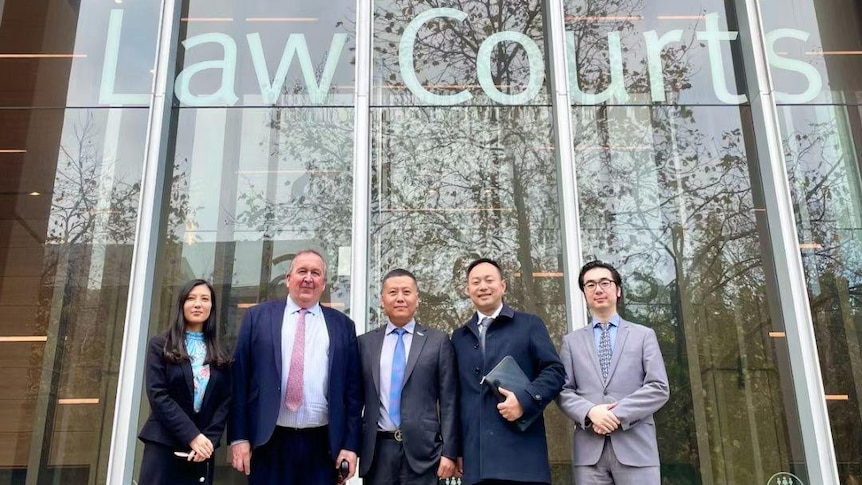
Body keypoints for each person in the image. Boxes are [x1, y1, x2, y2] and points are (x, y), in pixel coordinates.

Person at [228, 249, 362, 484]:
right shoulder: (257, 318)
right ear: (288, 279)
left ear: (323, 283)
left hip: (322, 445)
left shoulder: (343, 326)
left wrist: (350, 446)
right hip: (268, 441)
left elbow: (353, 392)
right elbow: (239, 381)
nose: (308, 278)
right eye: (302, 271)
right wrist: (238, 437)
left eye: (316, 273)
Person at [451, 257, 565, 485]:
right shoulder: (459, 337)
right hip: (476, 462)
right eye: (475, 282)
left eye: (489, 280)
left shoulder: (529, 324)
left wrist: (525, 400)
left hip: (521, 459)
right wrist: (455, 450)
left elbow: (555, 371)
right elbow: (455, 397)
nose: (482, 286)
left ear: (502, 285)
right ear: (468, 290)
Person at [558, 260, 670, 485]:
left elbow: (658, 387)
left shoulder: (643, 335)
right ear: (584, 294)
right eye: (590, 285)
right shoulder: (570, 342)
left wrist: (614, 415)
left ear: (618, 290)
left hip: (636, 448)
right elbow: (563, 391)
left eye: (604, 283)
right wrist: (590, 412)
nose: (597, 289)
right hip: (589, 454)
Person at [358, 269, 458, 485]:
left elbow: (449, 402)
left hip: (425, 453)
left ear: (417, 299)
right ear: (382, 300)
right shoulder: (365, 344)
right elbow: (353, 400)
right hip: (377, 452)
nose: (400, 298)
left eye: (406, 292)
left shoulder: (438, 342)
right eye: (393, 292)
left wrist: (449, 452)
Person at [138, 279, 233, 485]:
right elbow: (158, 395)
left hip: (201, 451)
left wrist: (208, 441)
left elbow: (225, 401)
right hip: (164, 444)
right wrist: (192, 436)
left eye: (204, 299)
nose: (198, 304)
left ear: (211, 307)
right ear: (182, 304)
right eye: (191, 298)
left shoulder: (222, 352)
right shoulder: (160, 345)